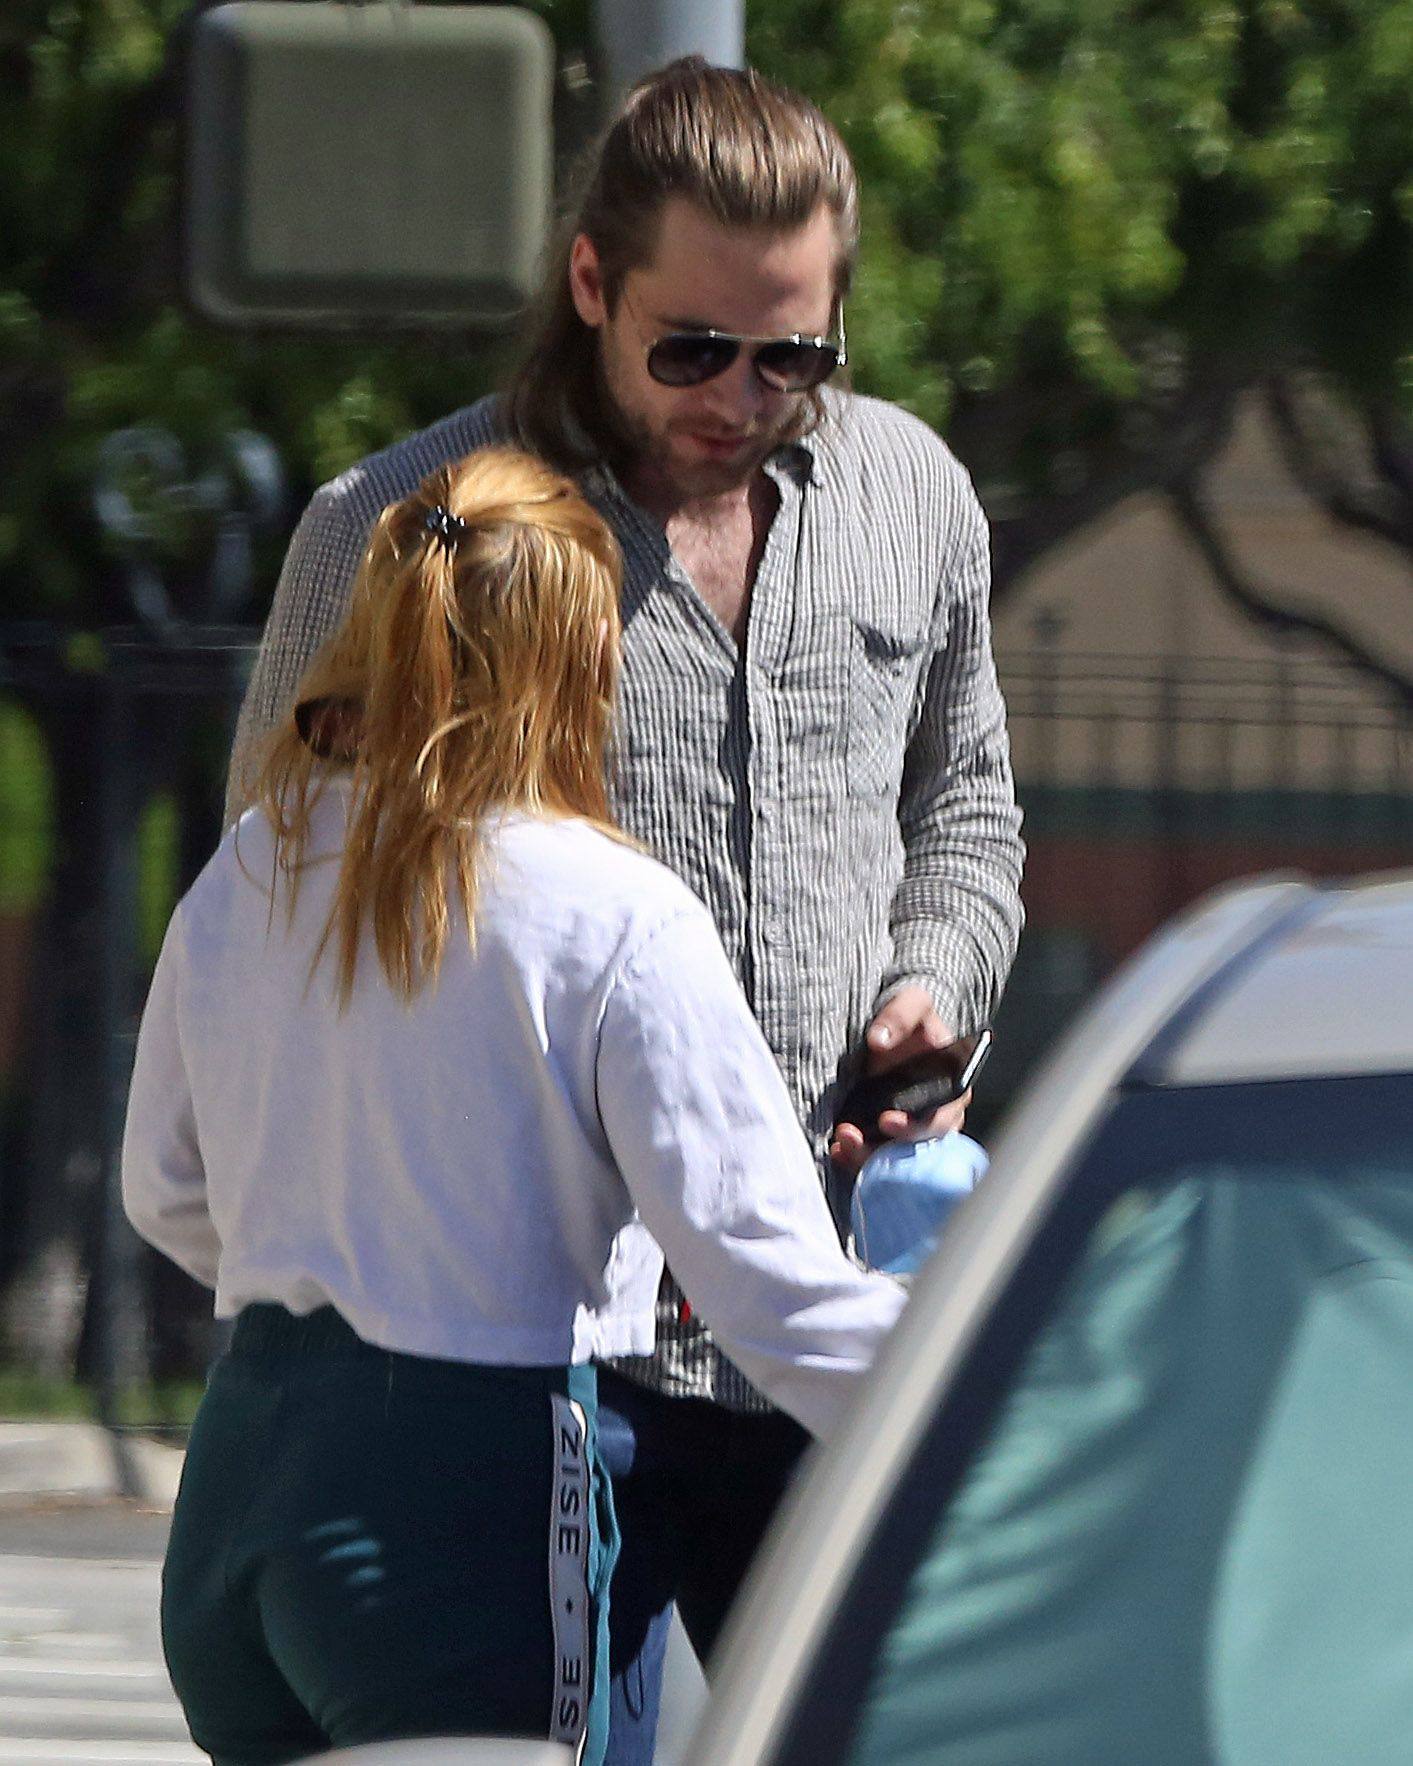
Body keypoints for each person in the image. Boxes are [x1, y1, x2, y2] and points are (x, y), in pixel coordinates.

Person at [224, 56, 1024, 1763]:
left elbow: (965, 805)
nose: (741, 396)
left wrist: (933, 980)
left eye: (793, 354)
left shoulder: (911, 495)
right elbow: (280, 896)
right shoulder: (408, 530)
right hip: (543, 1377)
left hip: (824, 1322)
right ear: (590, 280)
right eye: (692, 348)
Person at [123, 448, 907, 1766]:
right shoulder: (610, 909)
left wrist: (347, 1256)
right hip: (460, 1493)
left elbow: (163, 1186)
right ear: (580, 656)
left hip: (246, 1471)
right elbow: (772, 1290)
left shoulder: (256, 861)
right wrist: (999, 1393)